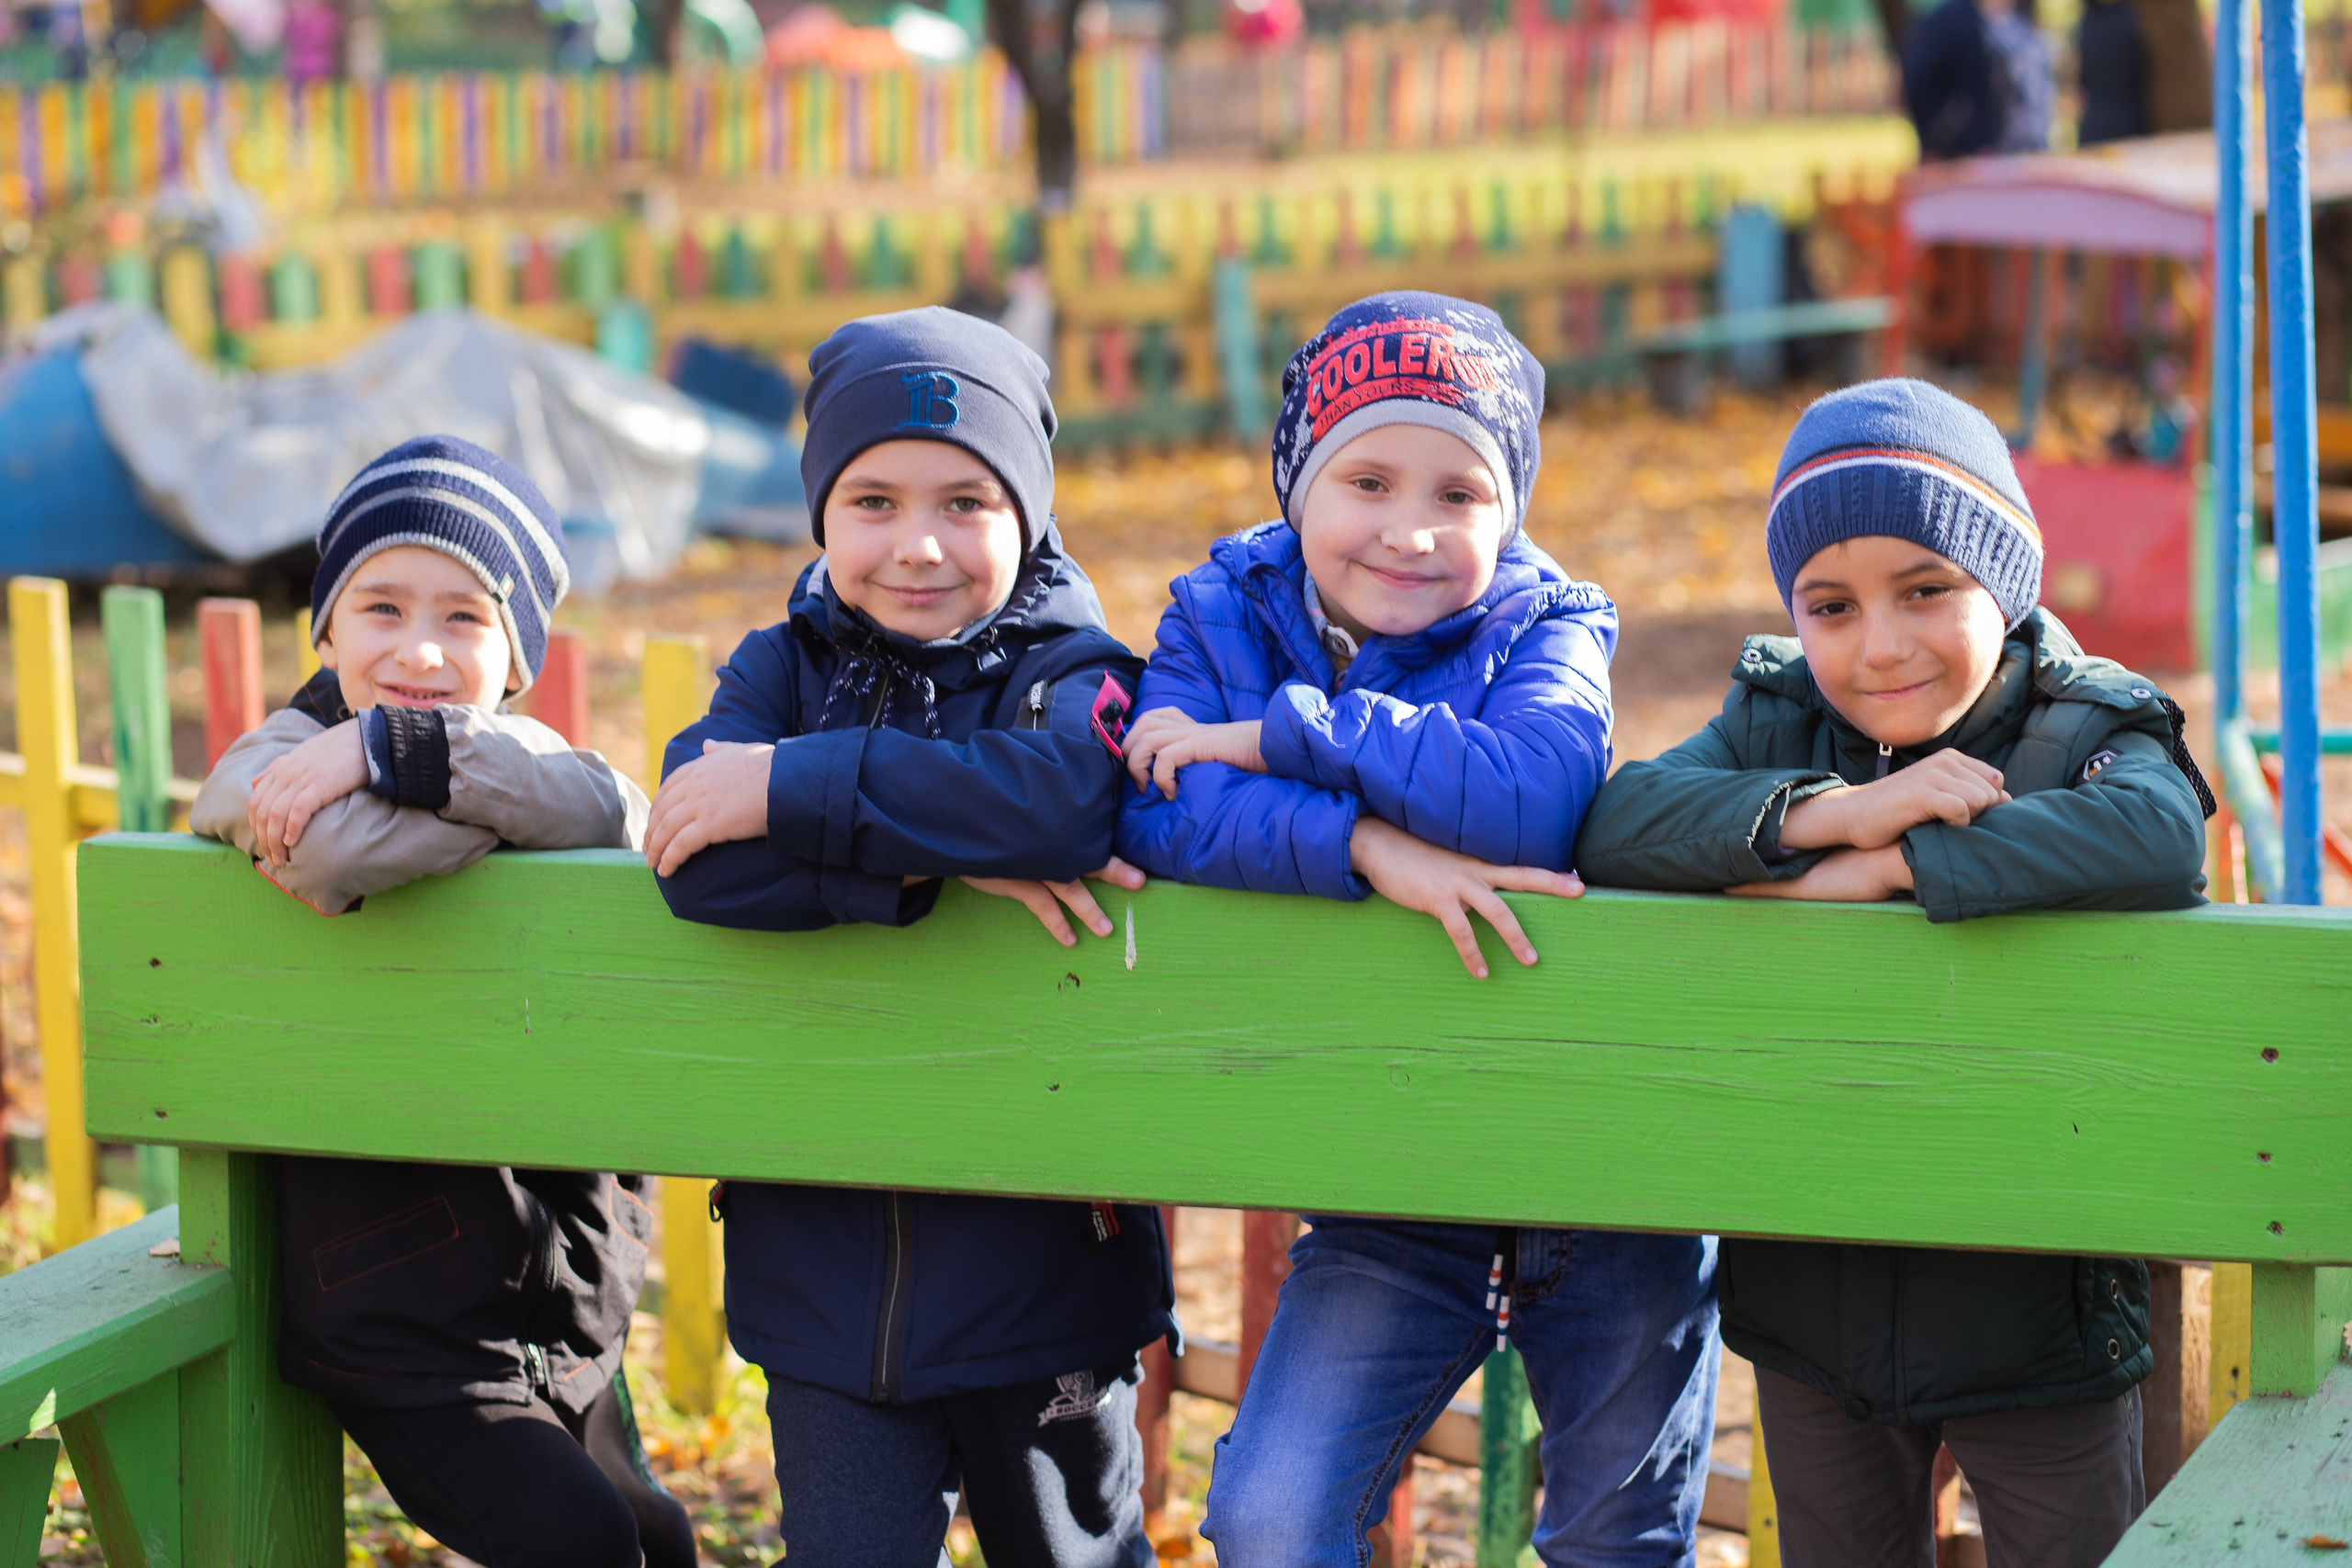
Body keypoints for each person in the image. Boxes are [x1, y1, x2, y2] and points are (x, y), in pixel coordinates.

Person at [1115, 292, 1720, 1565]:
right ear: (1297, 484)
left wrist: (1277, 735)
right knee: (1271, 1513)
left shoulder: (1548, 620)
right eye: (1368, 480)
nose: (1411, 529)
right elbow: (1156, 804)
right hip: (1395, 1166)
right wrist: (1365, 848)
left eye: (1460, 493)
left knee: (1618, 1538)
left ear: (1511, 512)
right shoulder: (1224, 607)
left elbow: (1532, 794)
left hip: (1606, 1170)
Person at [1575, 378, 2212, 1567]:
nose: (1881, 644)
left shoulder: (2081, 724)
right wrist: (1839, 818)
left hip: (2035, 1306)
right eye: (1831, 605)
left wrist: (1893, 865)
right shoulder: (1776, 719)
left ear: (2005, 584)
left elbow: (2158, 832)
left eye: (1926, 589)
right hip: (1816, 1298)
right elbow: (1621, 820)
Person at [647, 307, 1172, 1568]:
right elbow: (693, 853)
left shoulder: (1069, 665)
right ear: (820, 512)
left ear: (1028, 514)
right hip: (822, 1275)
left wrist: (793, 788)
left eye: (966, 502)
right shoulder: (779, 668)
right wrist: (932, 860)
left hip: (1041, 1270)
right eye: (873, 501)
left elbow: (1064, 802)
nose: (918, 544)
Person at [191, 436, 691, 1568]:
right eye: (381, 607)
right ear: (325, 630)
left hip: (561, 1272)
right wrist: (483, 806)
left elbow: (620, 811)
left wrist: (395, 749)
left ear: (515, 659)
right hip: (394, 1297)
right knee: (581, 1542)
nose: (418, 648)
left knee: (655, 1537)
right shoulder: (275, 752)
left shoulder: (533, 754)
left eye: (464, 617)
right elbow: (324, 855)